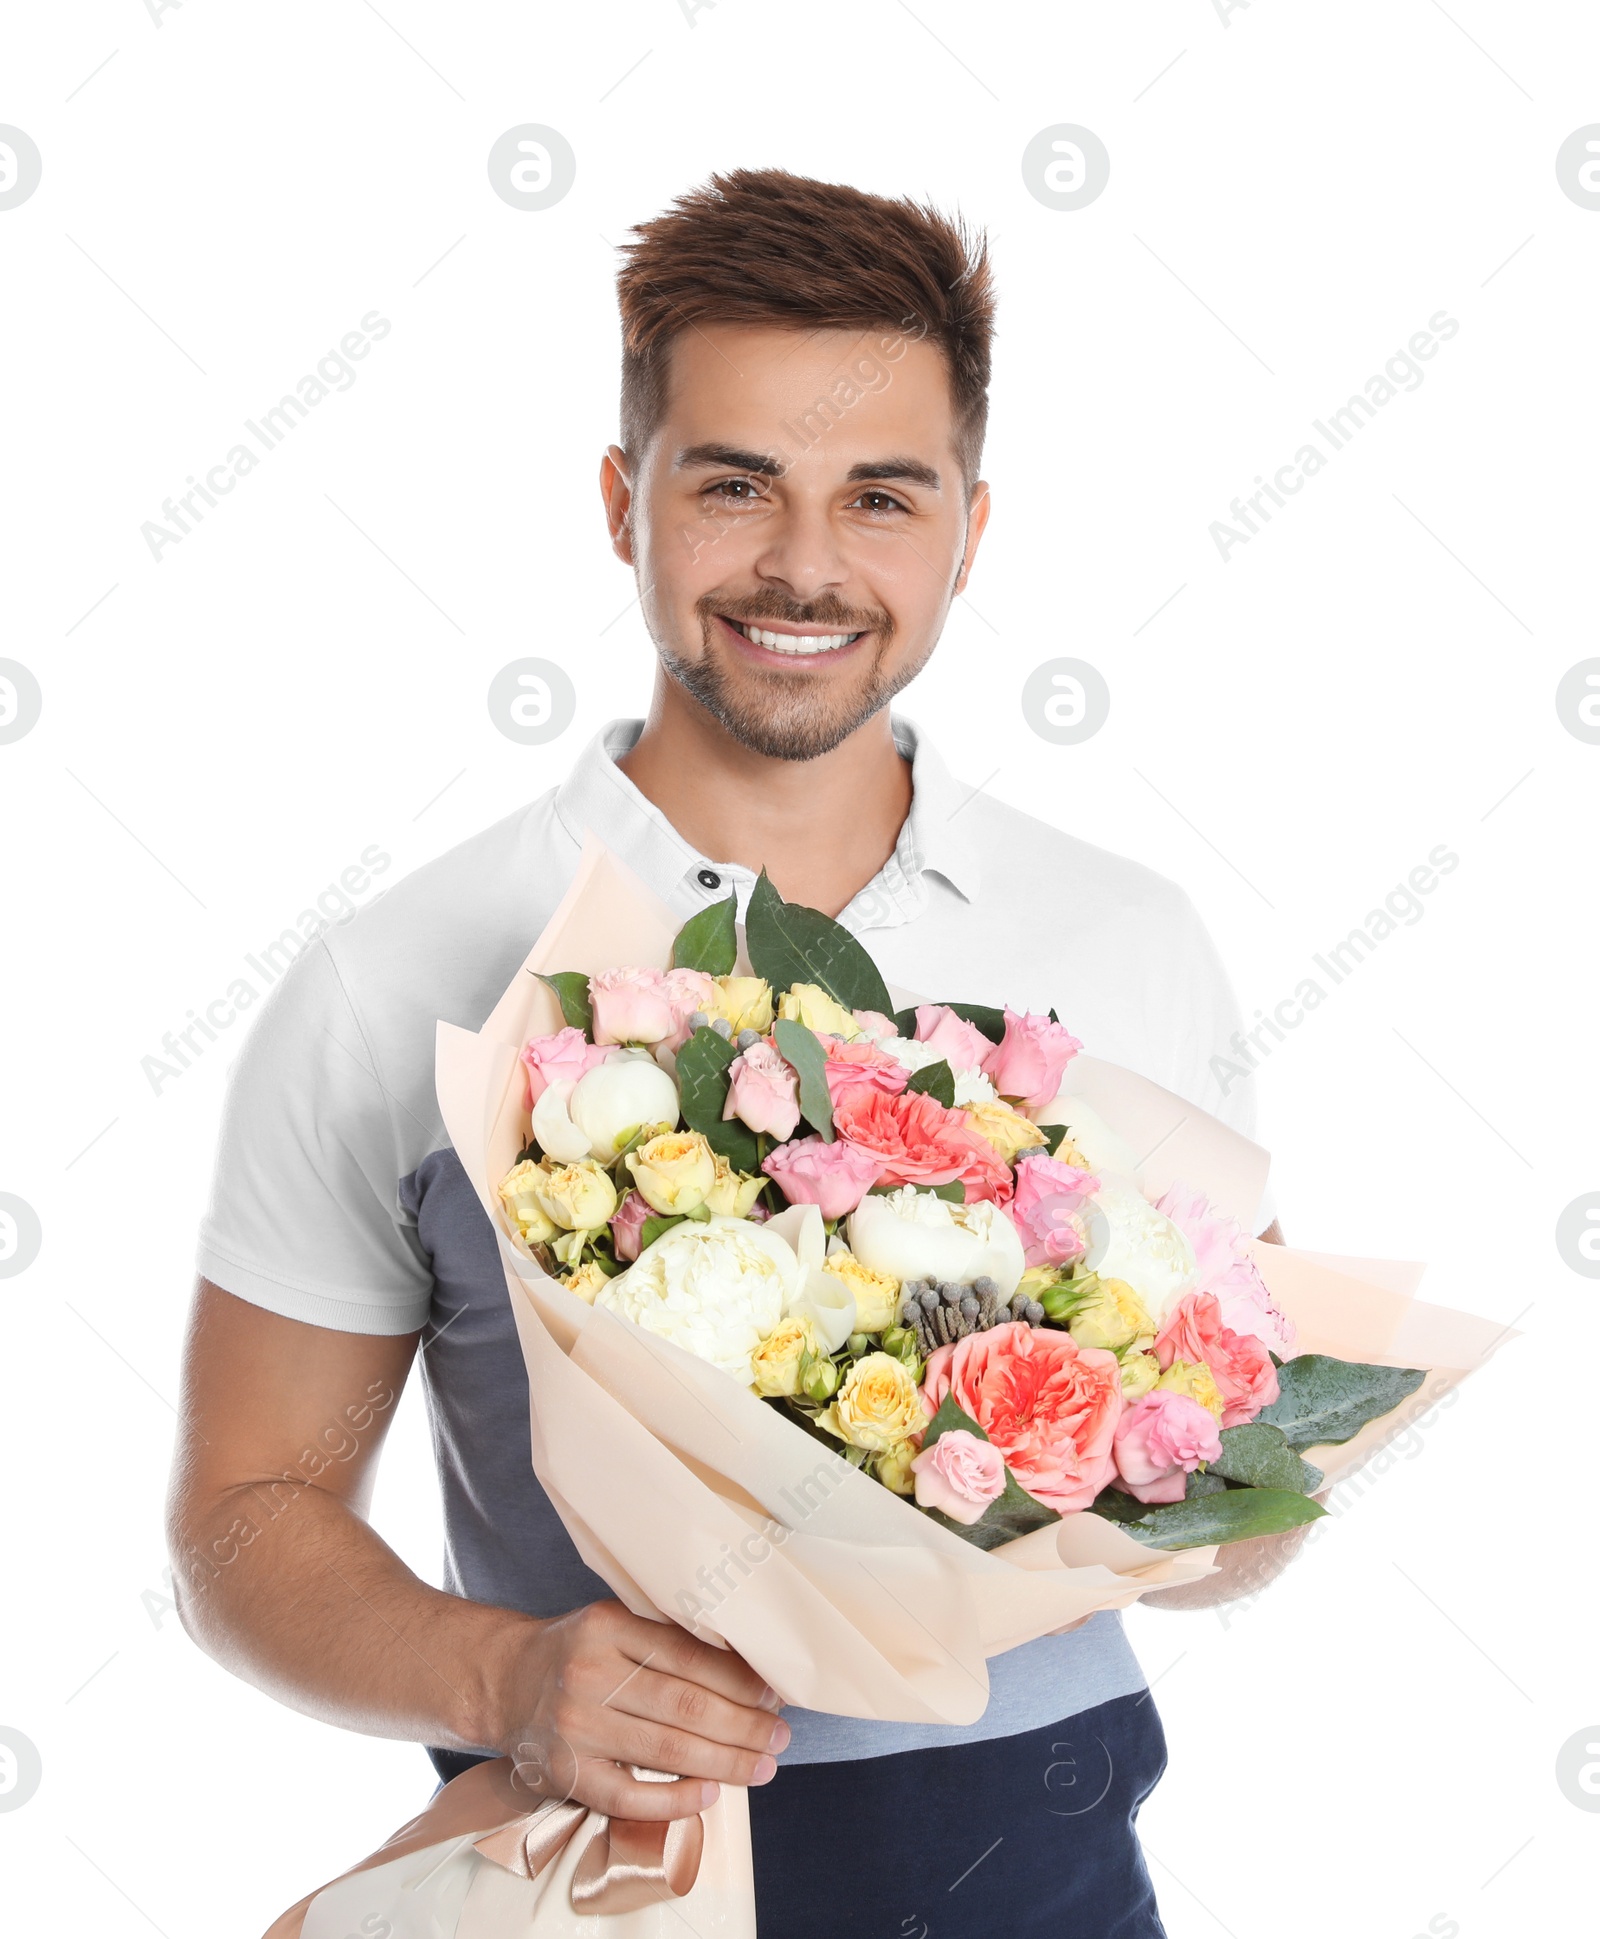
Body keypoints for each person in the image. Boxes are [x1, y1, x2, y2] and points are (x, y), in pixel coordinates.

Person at [169, 169, 1298, 1938]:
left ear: (970, 532)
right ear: (625, 504)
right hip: (596, 1884)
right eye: (732, 485)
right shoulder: (401, 982)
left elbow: (1251, 1505)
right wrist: (507, 1677)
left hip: (1055, 1882)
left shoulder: (1125, 943)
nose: (803, 564)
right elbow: (242, 1518)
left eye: (880, 497)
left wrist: (1199, 1493)